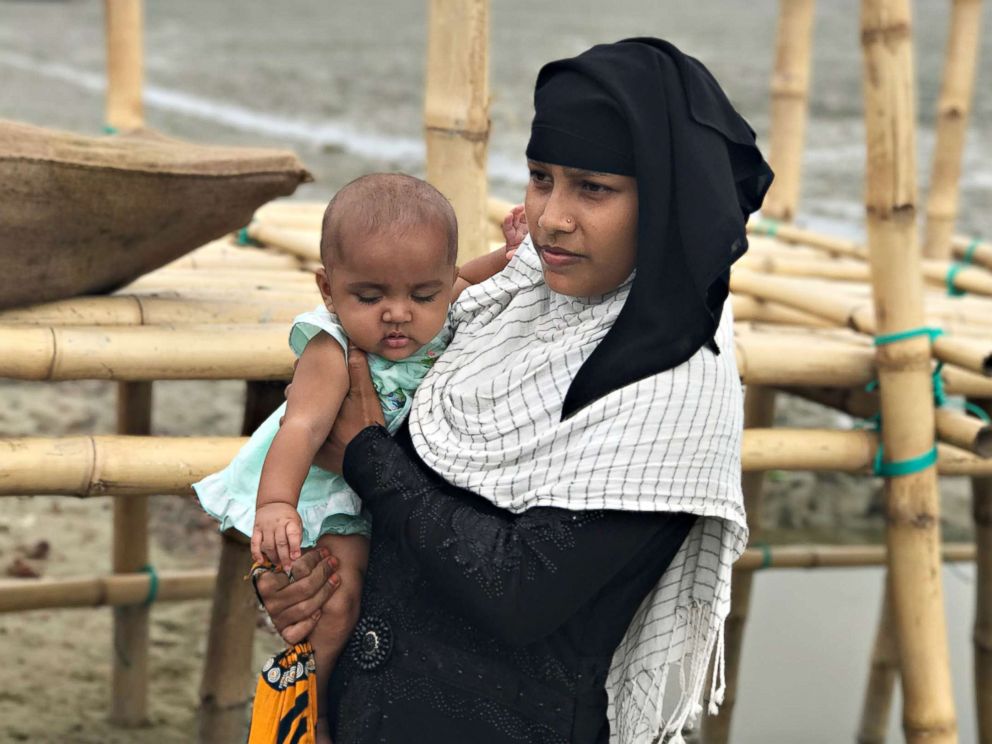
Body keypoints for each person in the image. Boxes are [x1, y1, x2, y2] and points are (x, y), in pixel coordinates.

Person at [255, 38, 773, 744]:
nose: (553, 217)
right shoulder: (513, 299)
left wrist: (367, 457)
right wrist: (300, 577)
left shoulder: (675, 385)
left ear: (667, 198)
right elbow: (399, 515)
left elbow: (519, 590)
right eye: (540, 177)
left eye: (593, 187)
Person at [194, 173, 523, 743]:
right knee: (338, 601)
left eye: (422, 295)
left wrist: (511, 255)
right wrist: (276, 503)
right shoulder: (332, 349)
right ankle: (312, 710)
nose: (398, 314)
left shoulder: (443, 309)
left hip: (395, 483)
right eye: (369, 297)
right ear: (327, 290)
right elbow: (300, 430)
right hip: (332, 489)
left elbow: (471, 275)